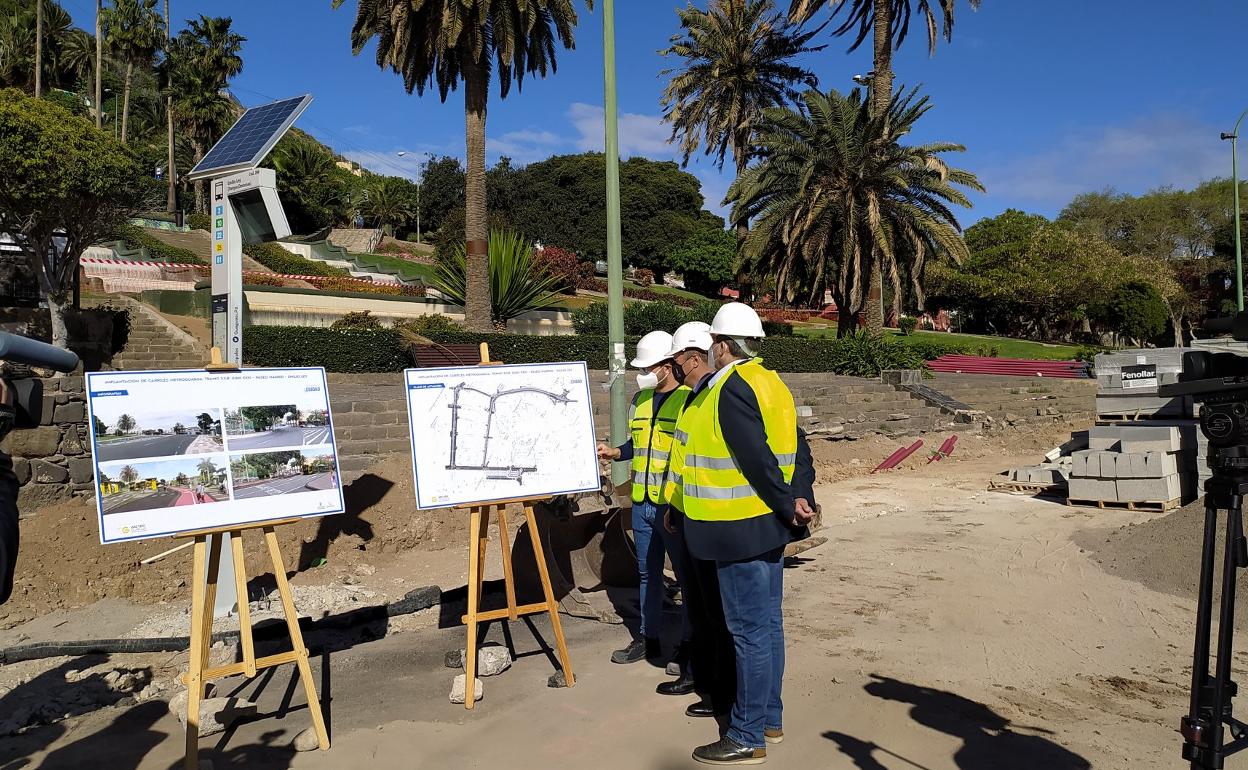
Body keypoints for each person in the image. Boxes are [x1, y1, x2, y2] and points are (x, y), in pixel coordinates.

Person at [669, 303, 817, 766]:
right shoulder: (771, 382)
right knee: (767, 628)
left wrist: (784, 503)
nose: (709, 351)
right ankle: (769, 718)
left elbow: (755, 458)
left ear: (724, 345)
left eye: (713, 343)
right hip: (767, 528)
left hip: (738, 529)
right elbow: (798, 448)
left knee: (749, 633)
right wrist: (799, 499)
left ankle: (747, 735)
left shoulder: (730, 388)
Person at [597, 330, 691, 665]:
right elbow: (640, 445)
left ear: (667, 365)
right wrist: (615, 452)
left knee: (685, 577)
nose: (644, 373)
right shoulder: (642, 402)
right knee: (648, 575)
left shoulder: (687, 401)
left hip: (671, 506)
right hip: (642, 504)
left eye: (649, 367)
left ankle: (686, 645)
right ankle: (647, 639)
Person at [659, 321, 736, 713]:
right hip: (690, 516)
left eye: (676, 362)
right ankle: (703, 679)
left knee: (718, 614)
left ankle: (719, 693)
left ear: (692, 359)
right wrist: (674, 506)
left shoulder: (718, 395)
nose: (673, 370)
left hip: (716, 521)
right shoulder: (693, 398)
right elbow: (683, 461)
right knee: (702, 608)